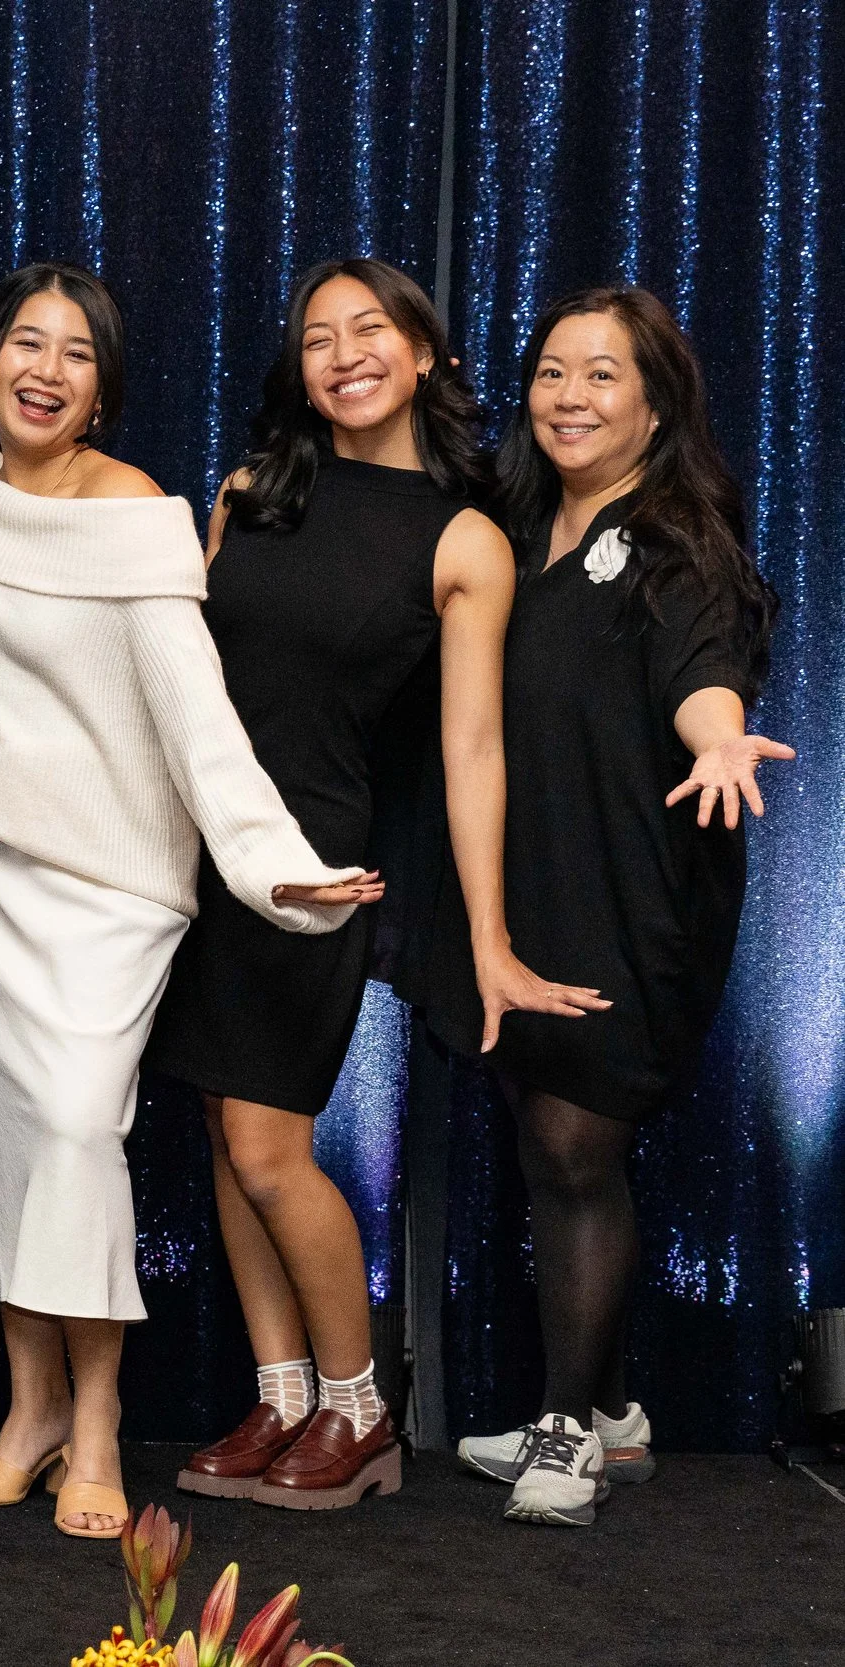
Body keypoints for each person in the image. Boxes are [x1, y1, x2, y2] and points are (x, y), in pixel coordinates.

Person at [0, 263, 375, 1538]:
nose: (45, 369)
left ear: (101, 390)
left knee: (77, 1127)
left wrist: (271, 862)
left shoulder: (135, 514)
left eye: (76, 353)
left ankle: (93, 1417)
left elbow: (196, 720)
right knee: (13, 1149)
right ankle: (30, 1409)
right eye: (24, 344)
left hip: (109, 891)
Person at [142, 259, 597, 1511]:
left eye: (369, 331)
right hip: (199, 848)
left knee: (264, 1142)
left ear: (426, 357)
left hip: (316, 863)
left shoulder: (462, 539)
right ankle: (281, 1392)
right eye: (316, 338)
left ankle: (359, 1405)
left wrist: (491, 934)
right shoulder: (247, 491)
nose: (341, 353)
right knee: (222, 1143)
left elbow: (469, 749)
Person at [440, 289, 785, 1528]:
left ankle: (566, 1429)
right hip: (523, 882)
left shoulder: (680, 541)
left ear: (654, 405)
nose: (569, 397)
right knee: (544, 1141)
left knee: (577, 1148)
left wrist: (724, 738)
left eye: (601, 376)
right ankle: (614, 1415)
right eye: (550, 372)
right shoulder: (512, 519)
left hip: (634, 888)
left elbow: (706, 675)